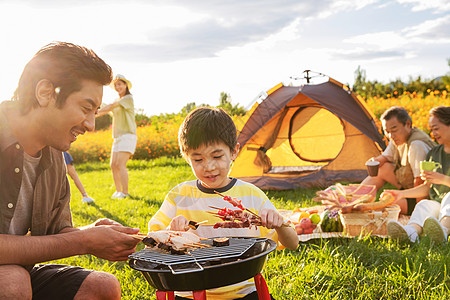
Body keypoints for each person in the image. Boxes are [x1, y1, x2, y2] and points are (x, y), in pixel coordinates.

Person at [0, 42, 141, 300]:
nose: (90, 124)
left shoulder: (54, 156)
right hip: (10, 277)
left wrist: (92, 232)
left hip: (18, 270)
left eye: (96, 112)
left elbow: (57, 233)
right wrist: (83, 241)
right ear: (45, 92)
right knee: (12, 282)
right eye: (86, 108)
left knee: (103, 287)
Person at [148, 107, 299, 300]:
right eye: (198, 159)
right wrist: (170, 231)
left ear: (234, 152)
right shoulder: (179, 196)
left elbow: (292, 243)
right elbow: (152, 243)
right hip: (189, 291)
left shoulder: (251, 195)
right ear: (186, 157)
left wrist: (280, 224)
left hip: (241, 292)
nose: (209, 166)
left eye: (217, 156)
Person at [385, 106, 450, 244]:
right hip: (439, 204)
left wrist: (442, 179)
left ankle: (443, 232)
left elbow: (441, 182)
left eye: (436, 128)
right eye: (431, 129)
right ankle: (410, 233)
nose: (433, 133)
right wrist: (401, 194)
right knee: (424, 205)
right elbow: (427, 188)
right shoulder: (434, 153)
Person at [361, 106, 436, 214]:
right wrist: (375, 161)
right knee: (382, 168)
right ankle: (356, 199)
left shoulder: (416, 145)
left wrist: (420, 212)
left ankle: (365, 210)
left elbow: (420, 182)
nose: (390, 135)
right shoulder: (397, 137)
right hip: (406, 186)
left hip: (422, 195)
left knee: (388, 206)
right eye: (387, 131)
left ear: (408, 124)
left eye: (394, 129)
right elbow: (386, 157)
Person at [97, 74, 137, 199]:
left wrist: (93, 113)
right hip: (117, 136)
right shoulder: (116, 100)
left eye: (120, 84)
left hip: (128, 135)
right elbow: (106, 110)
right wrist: (92, 115)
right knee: (113, 164)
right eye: (116, 85)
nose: (118, 87)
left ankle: (125, 193)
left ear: (125, 85)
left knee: (120, 164)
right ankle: (118, 191)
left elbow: (109, 107)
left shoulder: (128, 98)